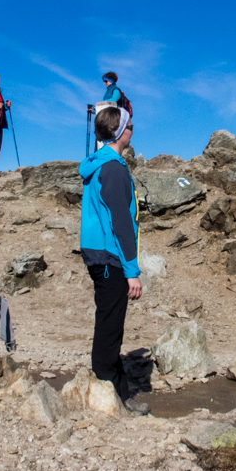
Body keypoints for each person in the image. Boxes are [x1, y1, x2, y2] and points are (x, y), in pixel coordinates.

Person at [78, 106, 148, 415]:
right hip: (110, 257)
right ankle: (110, 388)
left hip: (97, 253)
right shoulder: (115, 169)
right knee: (110, 323)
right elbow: (121, 223)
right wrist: (132, 271)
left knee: (107, 319)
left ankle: (112, 383)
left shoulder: (97, 165)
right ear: (120, 132)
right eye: (129, 124)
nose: (133, 128)